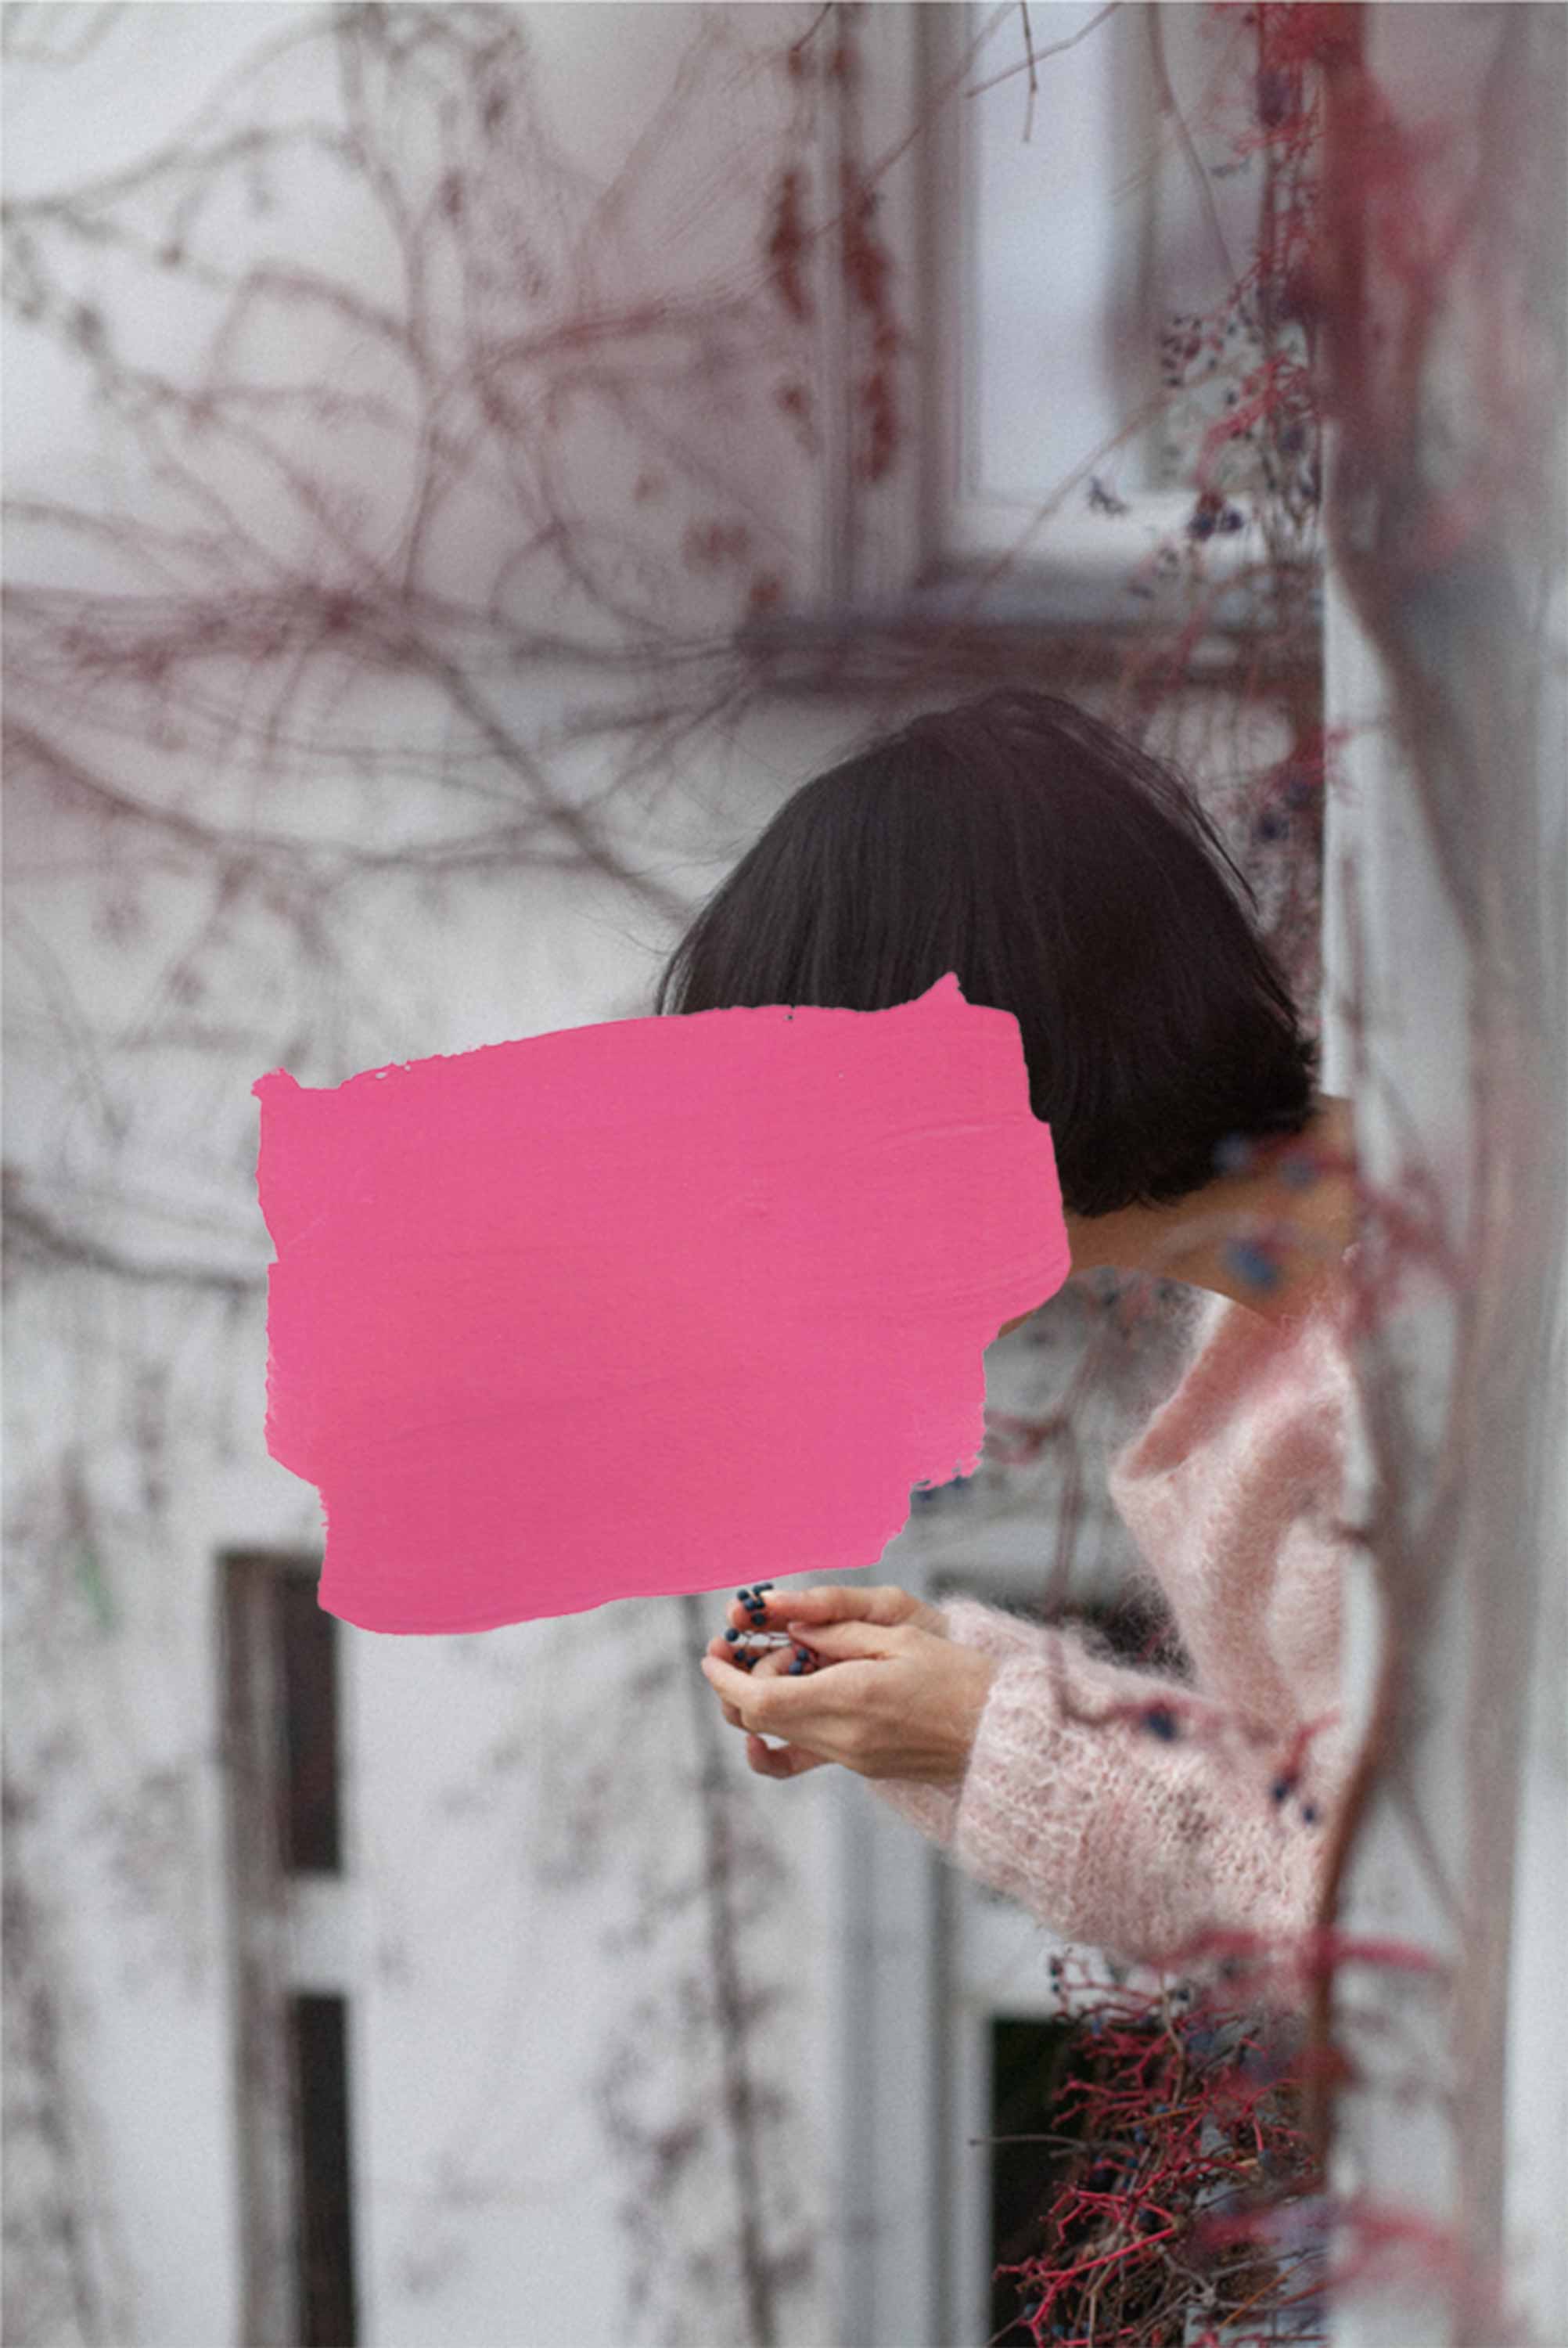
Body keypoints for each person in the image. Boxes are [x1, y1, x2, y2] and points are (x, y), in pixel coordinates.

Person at [671, 688, 1364, 2000]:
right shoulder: (1287, 1315)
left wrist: (993, 1740)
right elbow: (1318, 1813)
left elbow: (1424, 1927)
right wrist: (958, 1700)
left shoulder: (1461, 1352)